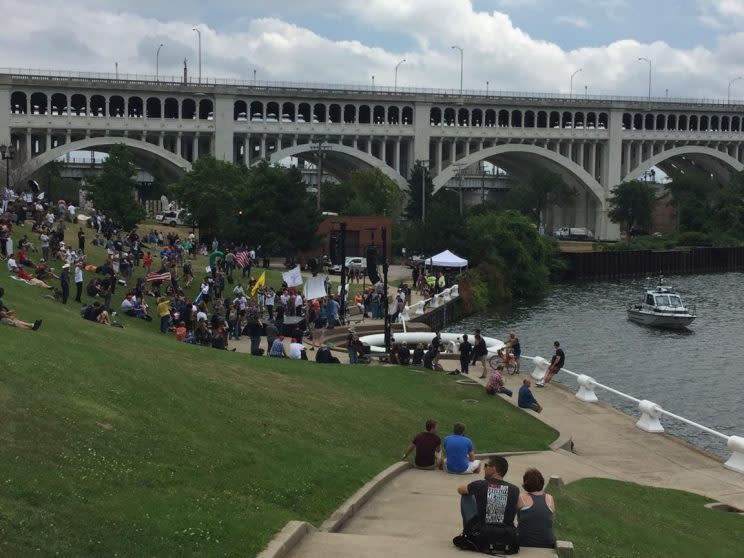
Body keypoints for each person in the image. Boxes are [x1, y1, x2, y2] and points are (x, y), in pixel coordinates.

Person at [453, 455, 521, 554]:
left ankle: (467, 531)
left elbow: (460, 489)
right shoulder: (515, 489)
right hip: (507, 534)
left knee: (466, 496)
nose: (484, 468)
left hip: (483, 533)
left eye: (486, 465)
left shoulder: (480, 485)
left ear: (494, 469)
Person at [518, 468, 556, 549]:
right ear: (542, 482)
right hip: (547, 542)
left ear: (526, 483)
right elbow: (550, 521)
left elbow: (518, 519)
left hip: (524, 542)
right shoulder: (550, 498)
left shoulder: (521, 498)